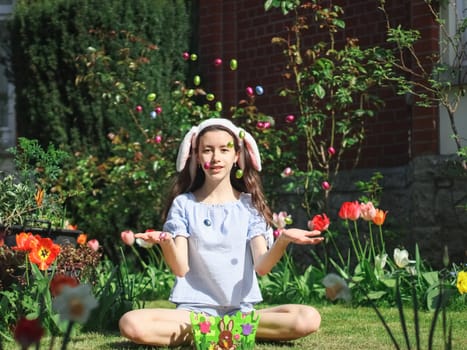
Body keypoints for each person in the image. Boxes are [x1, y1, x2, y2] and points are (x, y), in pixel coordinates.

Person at [119, 118, 324, 347]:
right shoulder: (183, 205)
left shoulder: (249, 206)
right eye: (207, 150)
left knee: (308, 318)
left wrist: (283, 239)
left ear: (237, 155)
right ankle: (230, 332)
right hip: (193, 314)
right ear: (196, 155)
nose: (215, 158)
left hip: (241, 311)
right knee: (131, 323)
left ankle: (215, 332)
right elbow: (180, 268)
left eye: (224, 150)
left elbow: (262, 267)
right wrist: (165, 242)